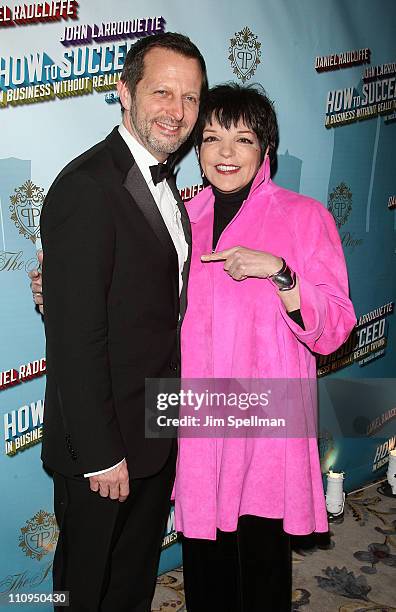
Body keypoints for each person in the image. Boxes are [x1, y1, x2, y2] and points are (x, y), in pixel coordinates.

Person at [33, 32, 207, 611]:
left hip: (155, 427)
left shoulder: (165, 181)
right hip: (102, 447)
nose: (177, 112)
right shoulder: (87, 186)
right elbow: (77, 340)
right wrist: (104, 453)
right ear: (124, 93)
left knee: (131, 586)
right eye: (162, 92)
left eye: (190, 98)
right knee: (83, 592)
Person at [171, 83, 357, 612]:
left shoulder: (303, 217)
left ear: (265, 149)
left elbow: (337, 325)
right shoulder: (183, 219)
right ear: (196, 148)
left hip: (265, 419)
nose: (225, 153)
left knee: (260, 564)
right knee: (204, 566)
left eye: (243, 139)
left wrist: (280, 272)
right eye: (211, 138)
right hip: (201, 417)